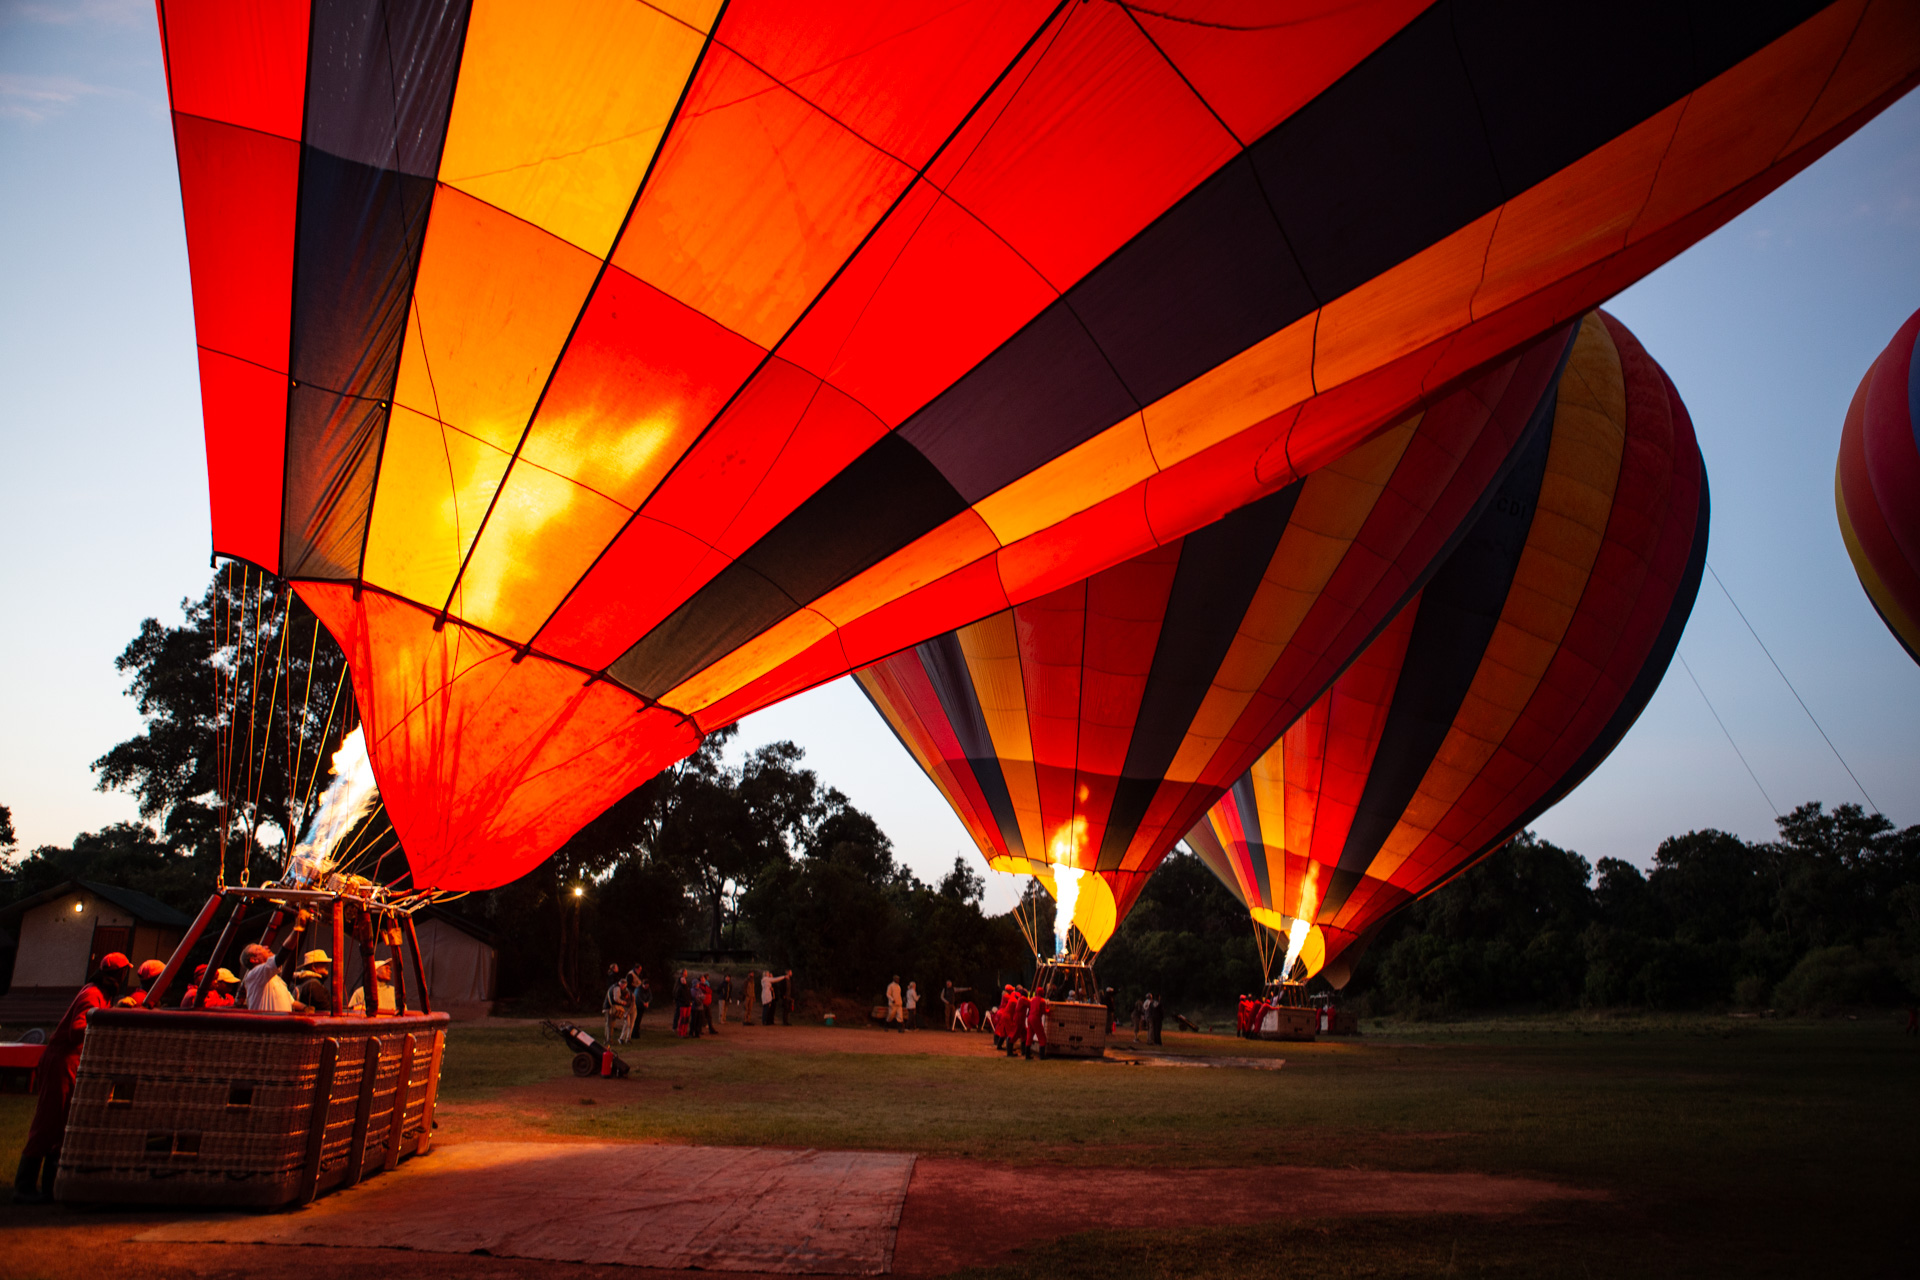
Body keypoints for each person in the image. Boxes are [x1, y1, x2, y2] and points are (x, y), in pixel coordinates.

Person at [14, 953, 130, 1203]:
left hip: (69, 1059)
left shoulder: (98, 993)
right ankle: (24, 1187)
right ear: (119, 974)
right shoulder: (92, 995)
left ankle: (49, 1187)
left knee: (63, 1120)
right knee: (49, 1121)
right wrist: (105, 1021)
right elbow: (77, 1029)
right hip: (62, 1059)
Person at [242, 943, 296, 1013]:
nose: (266, 946)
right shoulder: (254, 974)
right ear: (254, 959)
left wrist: (306, 1008)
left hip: (279, 1023)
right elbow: (280, 957)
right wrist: (295, 932)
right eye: (259, 949)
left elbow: (292, 1002)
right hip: (267, 1023)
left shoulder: (276, 979)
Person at [292, 949, 337, 1014]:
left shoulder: (301, 983)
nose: (327, 965)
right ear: (313, 967)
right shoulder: (314, 986)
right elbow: (327, 1011)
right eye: (323, 963)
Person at [604, 970, 630, 1046]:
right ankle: (609, 1040)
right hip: (610, 1008)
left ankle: (607, 1040)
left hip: (607, 1007)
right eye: (624, 987)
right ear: (623, 984)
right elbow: (616, 998)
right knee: (610, 1025)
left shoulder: (614, 986)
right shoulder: (617, 988)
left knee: (608, 1024)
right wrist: (623, 1002)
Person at [1025, 985, 1049, 1060]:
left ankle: (1027, 1055)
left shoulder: (1032, 999)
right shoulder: (1042, 1001)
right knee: (1042, 1037)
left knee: (1029, 1036)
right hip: (1036, 1019)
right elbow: (1044, 1011)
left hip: (1030, 1018)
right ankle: (1042, 1056)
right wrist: (1049, 1009)